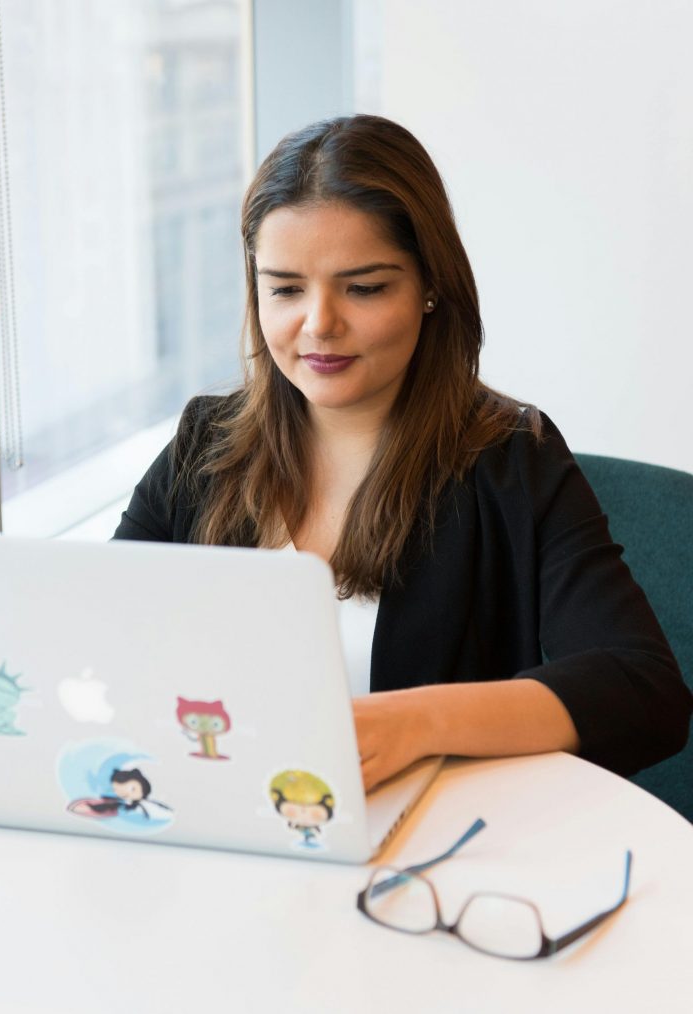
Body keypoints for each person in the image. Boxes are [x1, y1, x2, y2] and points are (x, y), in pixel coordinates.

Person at [114, 114, 692, 791]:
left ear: (430, 288)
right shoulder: (203, 446)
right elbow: (102, 636)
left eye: (364, 288)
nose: (319, 323)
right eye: (285, 289)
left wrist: (415, 724)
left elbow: (642, 689)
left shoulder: (511, 460)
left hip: (430, 852)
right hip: (225, 823)